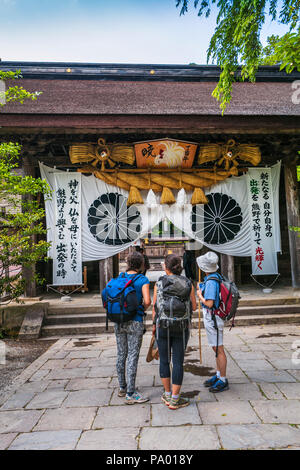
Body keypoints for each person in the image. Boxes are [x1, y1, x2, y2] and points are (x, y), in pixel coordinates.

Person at [152, 254, 197, 410]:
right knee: (178, 362)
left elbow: (155, 307)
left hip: (162, 326)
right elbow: (195, 307)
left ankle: (167, 393)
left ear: (166, 267)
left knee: (164, 360)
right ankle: (176, 399)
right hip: (182, 326)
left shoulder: (158, 283)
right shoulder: (188, 283)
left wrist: (153, 326)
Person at [114, 251, 151, 404]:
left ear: (128, 263)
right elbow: (148, 301)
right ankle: (131, 393)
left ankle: (122, 387)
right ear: (141, 264)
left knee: (121, 353)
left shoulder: (118, 278)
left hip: (119, 320)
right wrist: (140, 309)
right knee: (133, 355)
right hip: (135, 321)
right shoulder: (142, 279)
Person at [196, 251, 229, 393]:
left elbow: (209, 303)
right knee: (216, 348)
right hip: (214, 317)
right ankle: (218, 374)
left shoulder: (211, 282)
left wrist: (199, 295)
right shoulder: (215, 277)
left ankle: (223, 379)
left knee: (218, 349)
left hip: (213, 318)